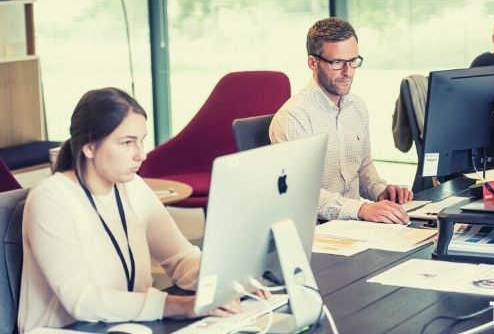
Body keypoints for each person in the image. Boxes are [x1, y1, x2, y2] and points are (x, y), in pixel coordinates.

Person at [18, 88, 241, 333]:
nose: (141, 155)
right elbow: (82, 301)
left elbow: (180, 257)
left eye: (142, 140)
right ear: (89, 147)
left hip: (129, 325)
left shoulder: (132, 187)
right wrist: (178, 306)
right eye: (127, 143)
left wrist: (225, 284)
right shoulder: (51, 199)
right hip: (70, 329)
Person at [269, 17, 413, 224]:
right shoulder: (293, 118)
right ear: (313, 62)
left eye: (353, 61)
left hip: (356, 225)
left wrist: (381, 192)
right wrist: (361, 208)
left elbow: (363, 167)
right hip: (319, 230)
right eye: (337, 63)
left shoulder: (357, 107)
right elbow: (301, 192)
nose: (348, 72)